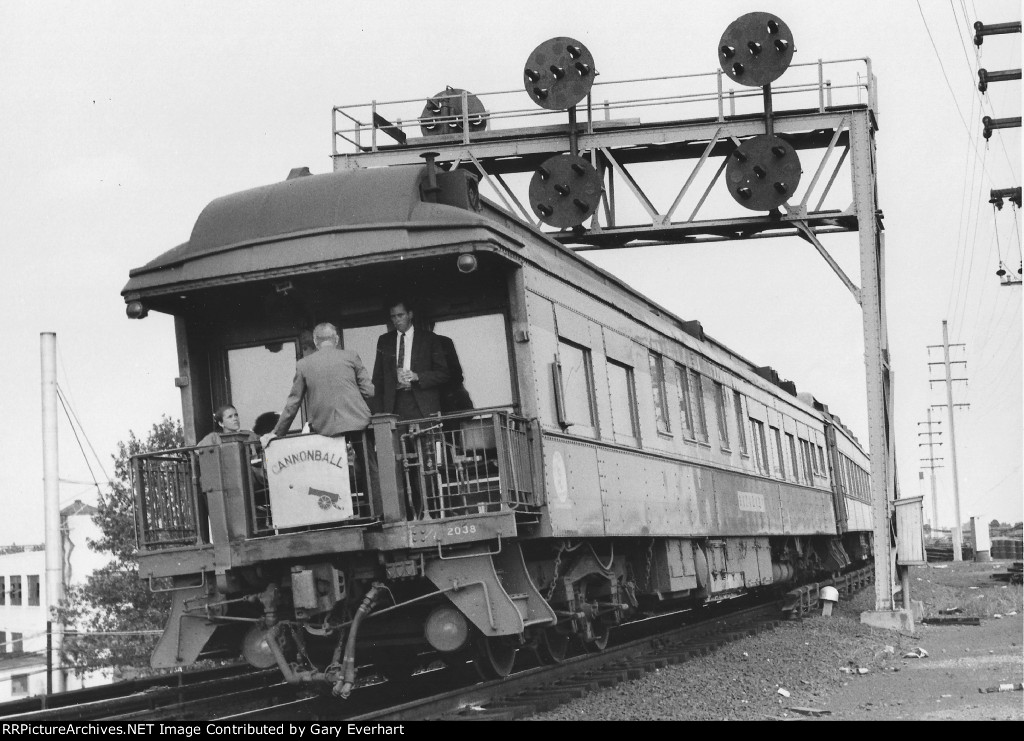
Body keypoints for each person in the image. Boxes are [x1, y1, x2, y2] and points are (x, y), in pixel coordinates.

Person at [264, 322, 375, 443]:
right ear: (336, 339)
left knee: (331, 462)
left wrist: (276, 433)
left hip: (325, 431)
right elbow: (369, 391)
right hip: (358, 425)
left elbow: (293, 403)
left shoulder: (304, 364)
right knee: (367, 461)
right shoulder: (351, 356)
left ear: (315, 341)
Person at [371, 300, 450, 421]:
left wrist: (418, 376)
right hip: (393, 406)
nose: (397, 320)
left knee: (428, 440)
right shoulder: (384, 341)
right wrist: (379, 412)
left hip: (423, 406)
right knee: (397, 440)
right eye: (393, 316)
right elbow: (378, 379)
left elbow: (443, 374)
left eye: (400, 315)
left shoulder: (429, 339)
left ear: (410, 314)